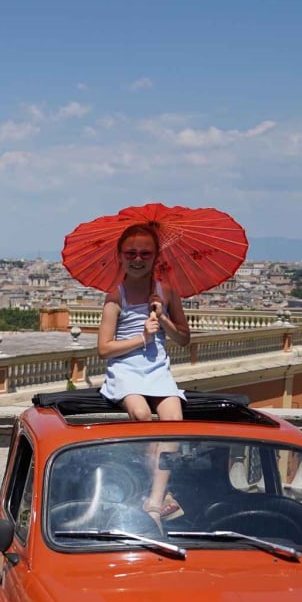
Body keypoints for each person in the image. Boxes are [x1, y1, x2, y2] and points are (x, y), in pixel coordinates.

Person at [96, 223, 191, 525]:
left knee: (173, 420)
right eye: (131, 253)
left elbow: (184, 339)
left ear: (155, 257)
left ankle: (155, 499)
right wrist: (142, 338)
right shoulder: (115, 298)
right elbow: (104, 349)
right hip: (126, 367)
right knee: (140, 414)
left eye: (145, 253)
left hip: (156, 369)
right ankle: (160, 495)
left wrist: (162, 318)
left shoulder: (167, 293)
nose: (138, 259)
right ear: (121, 256)